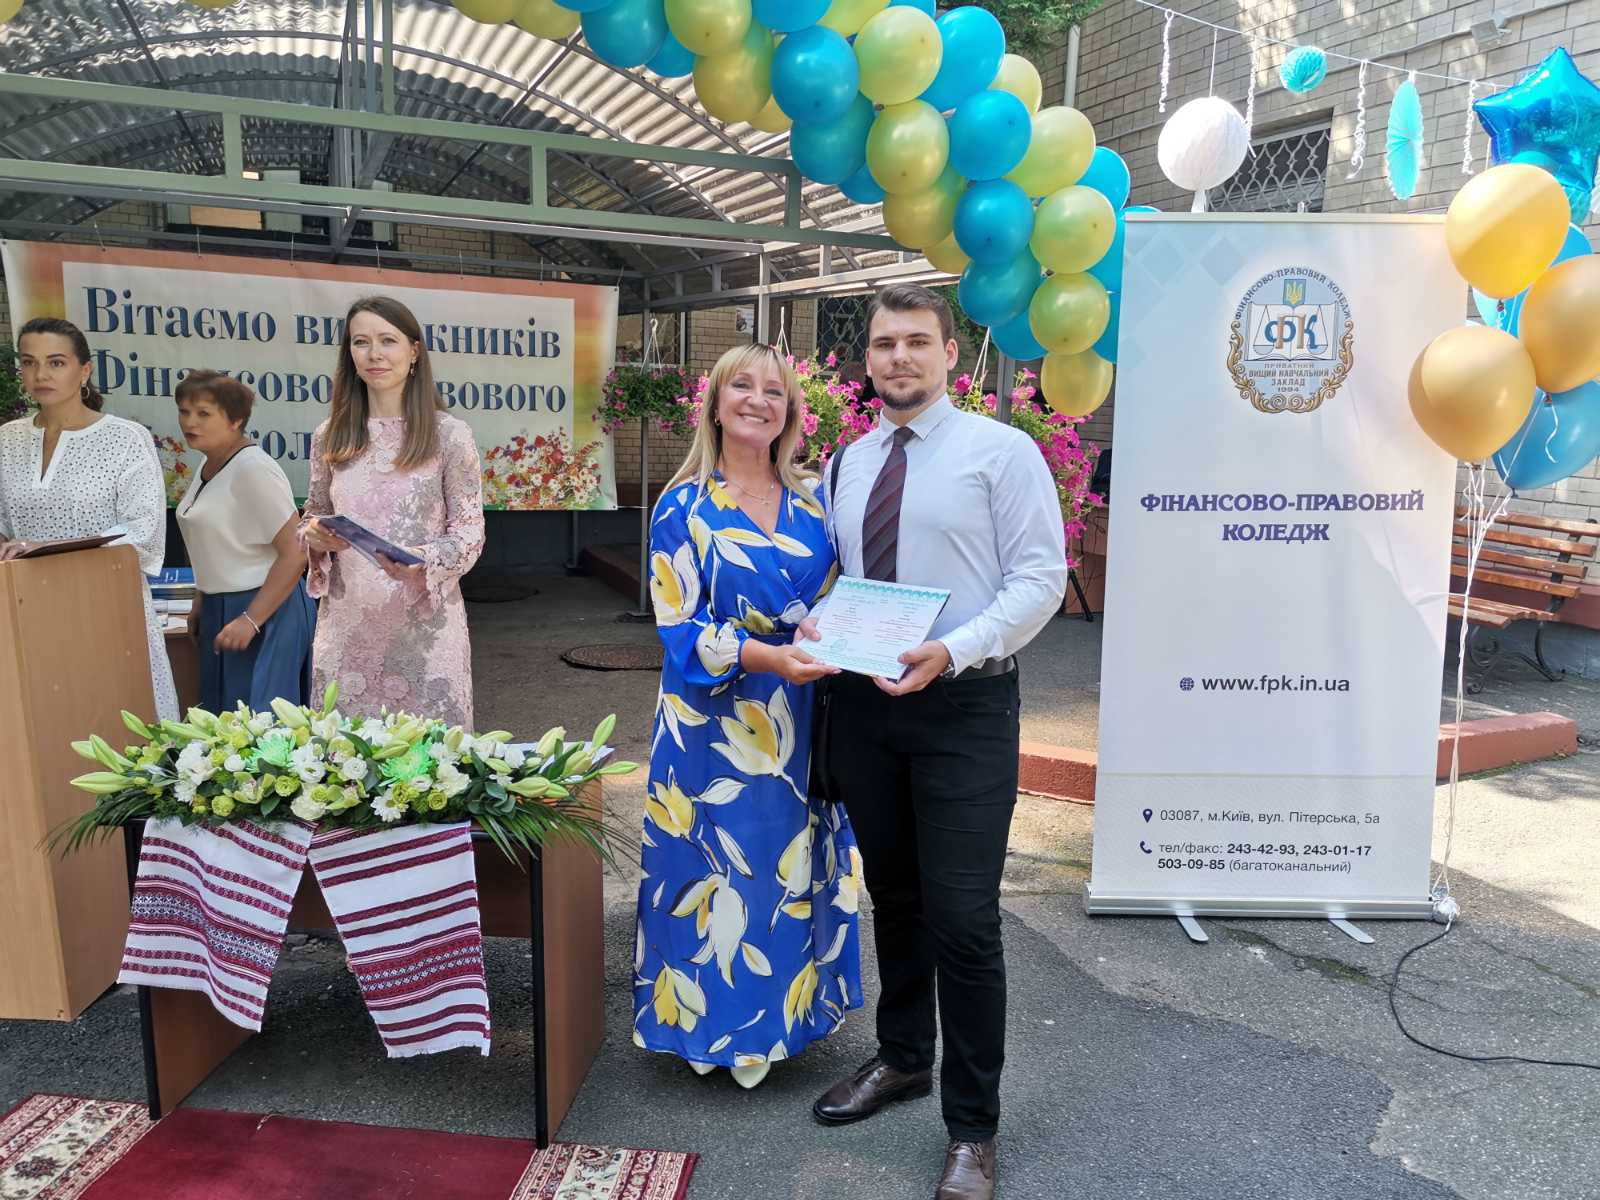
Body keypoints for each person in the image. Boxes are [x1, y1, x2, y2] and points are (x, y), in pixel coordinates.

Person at [808, 285, 1067, 1200]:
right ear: (867, 358)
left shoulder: (1002, 452)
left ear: (951, 354)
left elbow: (1041, 578)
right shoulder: (849, 462)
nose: (899, 358)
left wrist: (952, 649)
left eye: (917, 341)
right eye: (884, 344)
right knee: (896, 896)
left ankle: (972, 1128)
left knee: (963, 919)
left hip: (964, 706)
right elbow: (844, 578)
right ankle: (904, 1057)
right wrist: (816, 628)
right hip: (867, 706)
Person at [633, 344, 863, 1091]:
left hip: (801, 711)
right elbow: (678, 626)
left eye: (774, 390)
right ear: (715, 401)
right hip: (710, 720)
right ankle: (705, 1025)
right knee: (709, 867)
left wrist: (839, 633)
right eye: (742, 384)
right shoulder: (683, 506)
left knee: (785, 864)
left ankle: (775, 1022)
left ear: (791, 412)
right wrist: (768, 656)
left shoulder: (815, 501)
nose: (758, 400)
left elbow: (846, 593)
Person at [299, 296, 484, 727]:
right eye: (361, 342)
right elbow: (314, 513)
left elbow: (470, 532)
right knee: (346, 757)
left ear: (414, 351)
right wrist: (314, 537)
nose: (374, 354)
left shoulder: (450, 435)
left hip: (424, 631)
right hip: (347, 630)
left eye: (388, 340)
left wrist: (422, 558)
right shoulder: (330, 435)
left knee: (431, 758)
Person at [0, 317, 179, 721]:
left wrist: (45, 549)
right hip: (28, 611)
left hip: (105, 610)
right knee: (40, 730)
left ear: (84, 371)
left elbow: (144, 535)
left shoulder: (125, 439)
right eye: (29, 362)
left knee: (113, 727)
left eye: (56, 362)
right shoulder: (6, 438)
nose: (41, 374)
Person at [173, 370, 315, 713]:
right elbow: (217, 542)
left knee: (262, 724)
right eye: (184, 411)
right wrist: (202, 597)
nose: (190, 422)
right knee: (223, 721)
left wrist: (251, 619)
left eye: (204, 413)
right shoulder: (209, 463)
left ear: (236, 420)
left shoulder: (253, 468)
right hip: (222, 606)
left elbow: (296, 553)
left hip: (266, 607)